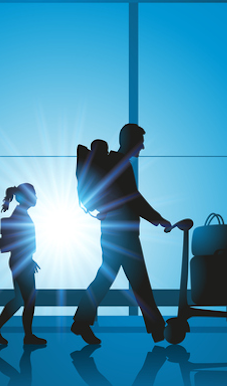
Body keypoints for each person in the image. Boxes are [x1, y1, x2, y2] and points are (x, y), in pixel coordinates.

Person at [71, 124, 171, 344]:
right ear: (131, 141)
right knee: (137, 280)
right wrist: (158, 219)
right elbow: (133, 199)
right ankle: (157, 330)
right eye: (141, 141)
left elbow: (129, 198)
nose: (143, 147)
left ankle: (81, 322)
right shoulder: (119, 164)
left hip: (114, 231)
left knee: (110, 278)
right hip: (122, 233)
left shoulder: (114, 163)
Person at [0, 183, 47, 345]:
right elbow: (21, 242)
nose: (36, 198)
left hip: (19, 261)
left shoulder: (20, 214)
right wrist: (28, 260)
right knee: (29, 300)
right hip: (22, 261)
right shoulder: (20, 215)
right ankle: (28, 336)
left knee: (20, 299)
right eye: (34, 194)